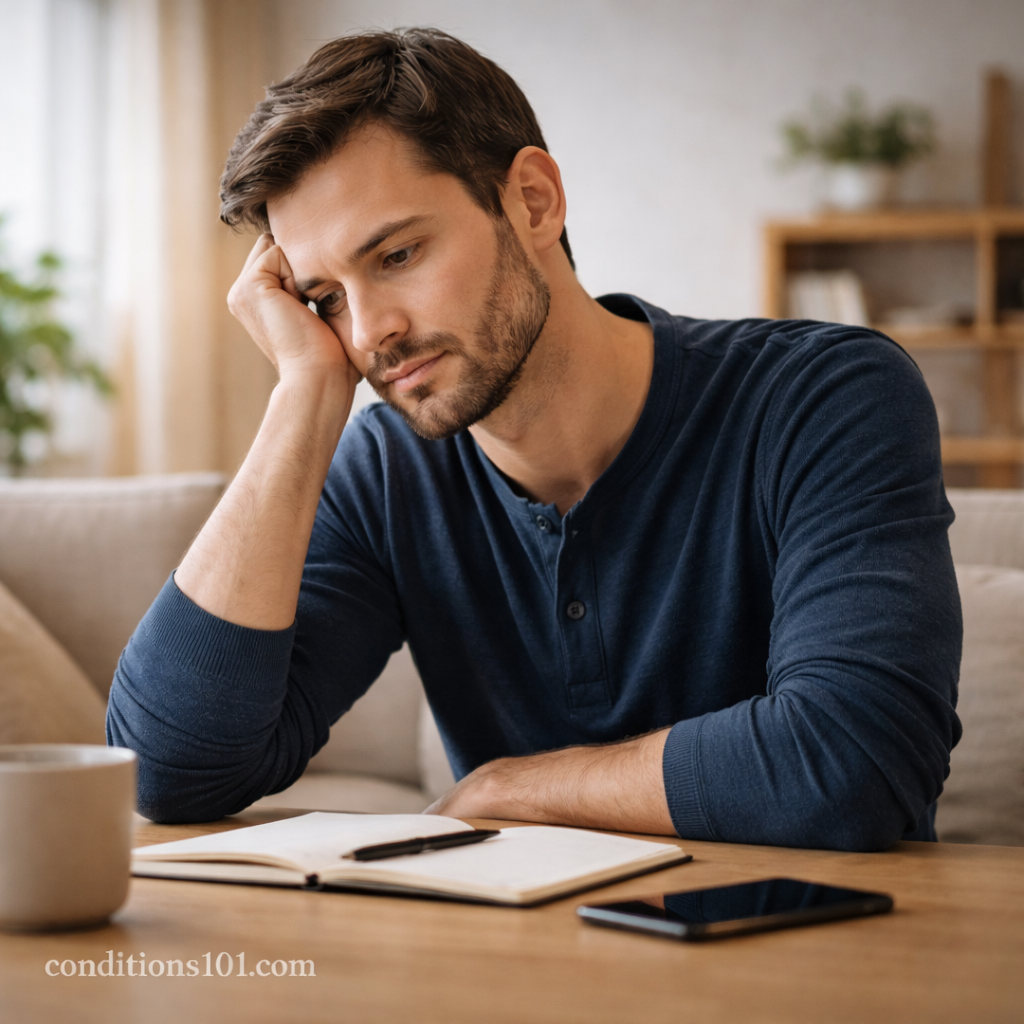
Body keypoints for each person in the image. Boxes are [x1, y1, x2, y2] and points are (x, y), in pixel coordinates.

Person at [107, 28, 961, 849]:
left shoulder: (822, 397)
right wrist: (304, 394)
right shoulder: (387, 474)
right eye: (325, 296)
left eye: (397, 255)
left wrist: (511, 789)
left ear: (533, 202)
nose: (370, 334)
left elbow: (856, 760)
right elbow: (170, 775)